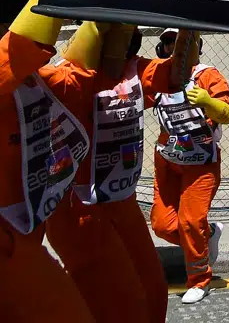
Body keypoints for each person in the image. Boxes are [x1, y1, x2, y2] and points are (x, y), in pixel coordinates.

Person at [41, 22, 166, 323]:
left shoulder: (133, 71)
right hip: (77, 208)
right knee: (119, 303)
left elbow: (173, 77)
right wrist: (97, 19)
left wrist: (191, 29)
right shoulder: (61, 78)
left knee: (153, 292)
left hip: (122, 200)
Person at [0, 0, 96, 323]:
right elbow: (21, 50)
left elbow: (81, 70)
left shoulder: (38, 83)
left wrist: (106, 21)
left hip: (25, 234)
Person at [149, 28, 229, 305]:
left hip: (200, 161)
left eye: (181, 42)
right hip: (168, 159)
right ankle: (207, 234)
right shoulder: (159, 73)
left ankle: (199, 279)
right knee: (162, 225)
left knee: (190, 221)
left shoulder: (208, 75)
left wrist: (207, 102)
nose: (175, 47)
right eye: (168, 42)